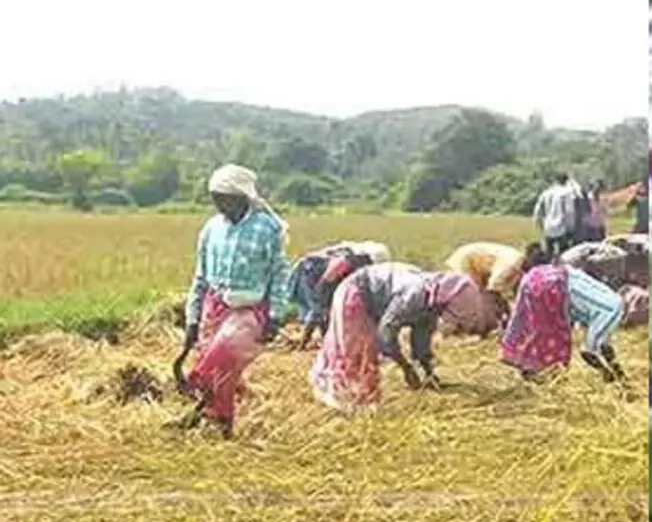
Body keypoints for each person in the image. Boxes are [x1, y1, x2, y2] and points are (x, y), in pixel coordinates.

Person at [170, 164, 290, 438]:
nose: (218, 204)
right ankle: (220, 422)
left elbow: (279, 272)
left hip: (250, 307)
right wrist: (192, 319)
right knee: (222, 371)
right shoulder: (211, 228)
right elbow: (200, 276)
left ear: (241, 196)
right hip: (215, 306)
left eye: (223, 198)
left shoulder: (267, 228)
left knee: (221, 357)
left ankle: (198, 405)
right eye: (215, 198)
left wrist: (276, 314)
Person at [309, 265, 489, 414]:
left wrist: (428, 373)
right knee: (356, 351)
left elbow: (421, 337)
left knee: (367, 356)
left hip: (374, 299)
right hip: (356, 293)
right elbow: (386, 332)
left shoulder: (433, 300)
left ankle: (361, 403)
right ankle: (340, 401)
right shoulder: (414, 295)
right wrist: (406, 367)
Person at [500, 243, 627, 383]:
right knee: (593, 344)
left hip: (597, 305)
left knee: (542, 332)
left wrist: (510, 340)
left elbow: (520, 312)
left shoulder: (533, 277)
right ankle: (616, 377)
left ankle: (612, 377)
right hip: (594, 300)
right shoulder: (565, 270)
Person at [533, 174, 576, 258]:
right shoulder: (567, 193)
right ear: (566, 181)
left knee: (548, 254)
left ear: (555, 181)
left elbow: (538, 211)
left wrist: (540, 226)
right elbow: (569, 211)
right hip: (562, 227)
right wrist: (571, 228)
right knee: (564, 256)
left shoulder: (546, 193)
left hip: (548, 227)